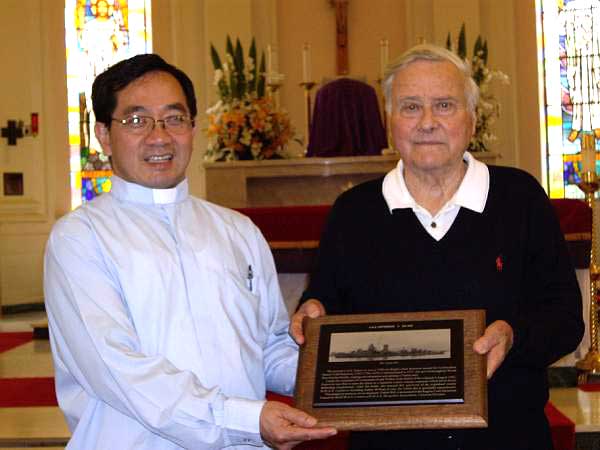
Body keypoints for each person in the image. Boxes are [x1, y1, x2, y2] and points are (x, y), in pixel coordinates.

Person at [290, 44, 584, 450]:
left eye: (444, 105)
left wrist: (514, 336)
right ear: (389, 120)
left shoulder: (520, 199)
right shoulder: (353, 213)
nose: (427, 122)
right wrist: (312, 310)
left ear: (472, 118)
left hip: (509, 436)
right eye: (410, 107)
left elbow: (565, 320)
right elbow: (326, 303)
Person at [44, 54, 336, 450]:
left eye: (174, 118)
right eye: (136, 120)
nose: (159, 136)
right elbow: (118, 369)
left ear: (193, 128)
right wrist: (247, 418)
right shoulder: (80, 239)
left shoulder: (238, 231)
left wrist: (336, 365)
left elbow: (267, 349)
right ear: (104, 135)